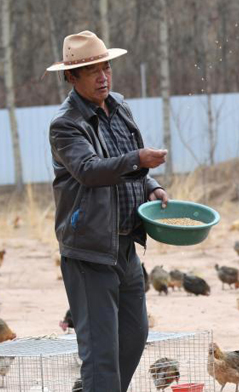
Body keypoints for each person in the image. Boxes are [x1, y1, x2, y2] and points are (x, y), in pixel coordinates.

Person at [47, 30, 170, 392]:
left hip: (124, 245)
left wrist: (152, 186)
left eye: (106, 67)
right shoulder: (66, 124)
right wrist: (137, 159)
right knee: (100, 352)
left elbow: (131, 165)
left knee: (134, 334)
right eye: (92, 71)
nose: (103, 76)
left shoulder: (119, 106)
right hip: (89, 250)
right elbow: (90, 169)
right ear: (71, 77)